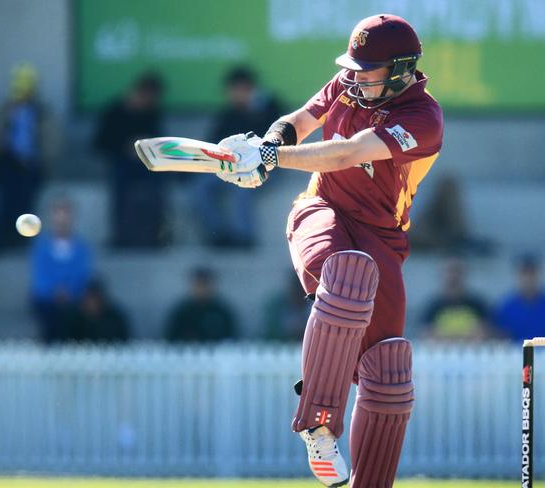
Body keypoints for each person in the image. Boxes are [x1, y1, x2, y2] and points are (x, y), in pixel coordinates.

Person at [207, 14, 443, 487]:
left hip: (382, 236)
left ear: (399, 71)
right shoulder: (349, 82)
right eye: (352, 66)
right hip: (321, 210)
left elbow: (349, 152)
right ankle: (318, 423)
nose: (355, 76)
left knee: (389, 371)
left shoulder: (423, 119)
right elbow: (299, 121)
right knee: (347, 276)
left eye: (367, 69)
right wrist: (266, 145)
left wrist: (270, 159)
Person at [191, 66, 282, 248]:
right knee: (199, 189)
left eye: (242, 89)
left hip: (265, 166)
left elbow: (277, 141)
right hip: (230, 166)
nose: (237, 94)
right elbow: (213, 144)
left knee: (242, 188)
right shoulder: (228, 114)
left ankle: (244, 238)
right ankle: (219, 237)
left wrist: (255, 110)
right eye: (234, 90)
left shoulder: (269, 109)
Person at [93, 72, 168, 248]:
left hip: (147, 164)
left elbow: (159, 140)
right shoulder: (114, 112)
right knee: (119, 187)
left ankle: (158, 235)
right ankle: (120, 236)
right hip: (120, 163)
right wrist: (124, 148)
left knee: (160, 185)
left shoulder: (152, 113)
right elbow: (99, 143)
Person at [0, 63, 56, 250]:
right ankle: (3, 239)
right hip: (6, 163)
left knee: (25, 200)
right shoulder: (4, 111)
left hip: (31, 165)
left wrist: (41, 159)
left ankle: (22, 240)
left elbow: (51, 142)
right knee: (6, 201)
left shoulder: (41, 112)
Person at [30, 197, 93, 343]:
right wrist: (54, 292)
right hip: (46, 299)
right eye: (58, 216)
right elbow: (40, 276)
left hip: (73, 298)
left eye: (66, 216)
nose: (62, 221)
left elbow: (82, 274)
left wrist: (69, 291)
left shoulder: (81, 247)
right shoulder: (41, 246)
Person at [494, 254, 545, 342]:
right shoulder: (507, 306)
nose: (528, 278)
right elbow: (500, 337)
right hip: (517, 354)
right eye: (524, 273)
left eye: (531, 273)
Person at [419, 257, 491, 341]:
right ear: (442, 274)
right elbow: (427, 335)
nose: (454, 276)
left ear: (465, 274)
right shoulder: (433, 306)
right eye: (450, 271)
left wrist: (446, 337)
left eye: (457, 271)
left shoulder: (478, 305)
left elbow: (484, 333)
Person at [164, 267, 238, 343]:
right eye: (198, 284)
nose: (201, 288)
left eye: (205, 284)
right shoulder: (182, 312)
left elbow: (232, 340)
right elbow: (170, 339)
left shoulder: (222, 312)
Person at [61, 278, 130, 343]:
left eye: (95, 299)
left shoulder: (115, 318)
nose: (92, 304)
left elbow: (124, 341)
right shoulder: (73, 318)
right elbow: (66, 341)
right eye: (88, 300)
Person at [263, 270, 312, 342]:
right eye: (296, 286)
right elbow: (271, 333)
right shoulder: (279, 307)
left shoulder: (312, 307)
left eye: (301, 288)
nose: (298, 291)